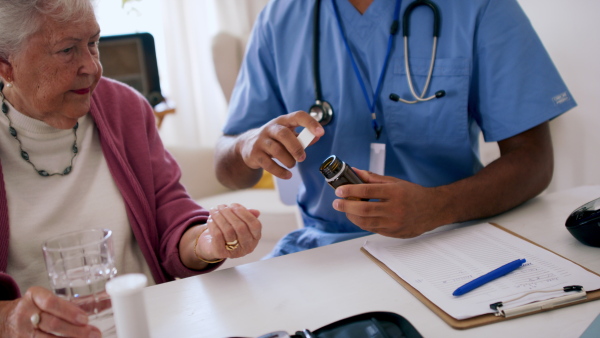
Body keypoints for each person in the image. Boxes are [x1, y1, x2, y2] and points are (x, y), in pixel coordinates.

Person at [215, 0, 576, 257]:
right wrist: (247, 145)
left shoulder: (480, 8)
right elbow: (229, 171)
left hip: (452, 238)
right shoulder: (280, 18)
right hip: (327, 250)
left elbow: (534, 161)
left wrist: (437, 208)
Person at [0, 0, 262, 337]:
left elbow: (170, 211)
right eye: (67, 50)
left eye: (93, 44)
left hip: (153, 324)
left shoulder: (125, 108)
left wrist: (208, 241)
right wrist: (8, 319)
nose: (92, 67)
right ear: (7, 65)